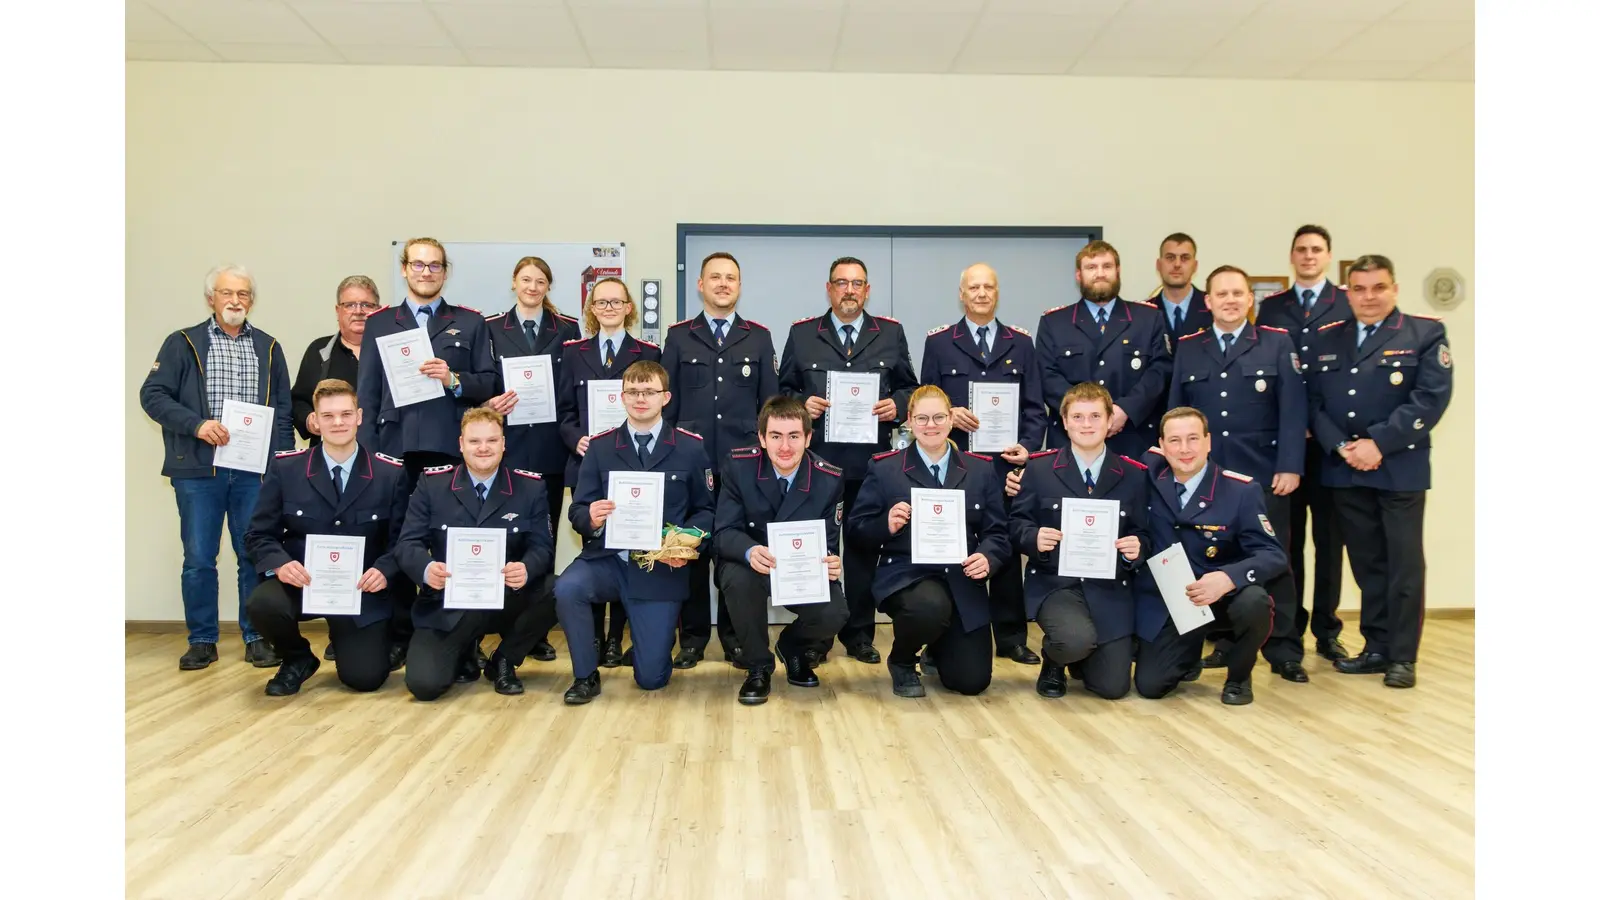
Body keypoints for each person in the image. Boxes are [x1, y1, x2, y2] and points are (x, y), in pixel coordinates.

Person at [1305, 255, 1452, 688]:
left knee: (1403, 565)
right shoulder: (1328, 337)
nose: (1369, 297)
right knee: (1367, 564)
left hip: (1398, 469)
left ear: (1394, 289)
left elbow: (1430, 399)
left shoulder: (1423, 333)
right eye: (1360, 289)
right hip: (1347, 468)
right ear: (1348, 291)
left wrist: (1378, 443)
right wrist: (1341, 447)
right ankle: (1376, 647)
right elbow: (1314, 402)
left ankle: (1403, 656)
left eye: (1378, 288)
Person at [139, 263, 294, 671]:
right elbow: (152, 395)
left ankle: (256, 636)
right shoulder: (183, 343)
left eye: (243, 294)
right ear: (212, 298)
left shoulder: (270, 347)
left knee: (253, 554)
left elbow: (281, 411)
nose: (235, 301)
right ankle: (202, 639)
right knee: (199, 558)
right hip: (197, 472)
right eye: (227, 293)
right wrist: (197, 425)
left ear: (252, 300)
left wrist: (280, 463)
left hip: (251, 473)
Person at [357, 237, 498, 668]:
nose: (426, 272)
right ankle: (402, 635)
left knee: (452, 544)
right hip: (395, 449)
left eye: (434, 266)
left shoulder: (470, 323)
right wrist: (367, 454)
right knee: (400, 540)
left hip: (449, 449)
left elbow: (487, 384)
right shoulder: (381, 322)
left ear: (445, 272)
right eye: (418, 265)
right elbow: (367, 389)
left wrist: (453, 379)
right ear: (404, 269)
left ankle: (463, 640)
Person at [1168, 265, 1310, 682]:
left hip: (1264, 478)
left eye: (1238, 293)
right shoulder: (1190, 348)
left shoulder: (1276, 344)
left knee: (1276, 563)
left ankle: (1284, 649)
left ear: (1251, 299)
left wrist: (1289, 465)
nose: (1230, 300)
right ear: (1207, 302)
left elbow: (1293, 411)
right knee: (1211, 557)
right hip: (1205, 480)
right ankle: (1228, 642)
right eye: (1221, 294)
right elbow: (1177, 412)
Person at [778, 256, 919, 665]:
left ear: (867, 290)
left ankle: (859, 634)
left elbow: (912, 388)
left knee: (860, 551)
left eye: (857, 283)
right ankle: (816, 635)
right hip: (815, 464)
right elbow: (782, 390)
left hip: (870, 464)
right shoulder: (803, 333)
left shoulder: (890, 333)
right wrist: (802, 405)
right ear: (829, 288)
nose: (849, 291)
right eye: (841, 283)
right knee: (817, 549)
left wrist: (897, 404)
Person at [554, 361, 716, 704]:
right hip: (609, 560)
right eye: (633, 393)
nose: (641, 399)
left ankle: (655, 638)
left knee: (651, 679)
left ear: (666, 397)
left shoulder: (690, 448)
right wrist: (592, 518)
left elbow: (707, 510)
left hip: (659, 566)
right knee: (568, 587)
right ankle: (585, 675)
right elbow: (578, 510)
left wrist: (684, 541)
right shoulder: (600, 447)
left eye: (649, 392)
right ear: (621, 397)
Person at [242, 379, 410, 696]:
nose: (338, 422)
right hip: (304, 584)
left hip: (361, 589)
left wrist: (385, 570)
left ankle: (372, 640)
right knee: (263, 604)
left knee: (365, 679)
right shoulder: (286, 469)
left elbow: (403, 539)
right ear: (315, 421)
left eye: (346, 414)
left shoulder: (390, 474)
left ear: (359, 416)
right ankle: (297, 659)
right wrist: (280, 565)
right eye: (328, 416)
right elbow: (258, 533)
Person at [919, 262, 1048, 665]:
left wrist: (1027, 450)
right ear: (961, 294)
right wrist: (950, 413)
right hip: (956, 468)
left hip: (1005, 469)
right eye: (973, 287)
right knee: (955, 549)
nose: (980, 293)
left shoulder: (1021, 344)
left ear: (996, 293)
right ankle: (947, 631)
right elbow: (925, 404)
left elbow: (1035, 409)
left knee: (1006, 549)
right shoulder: (940, 343)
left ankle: (1011, 638)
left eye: (988, 287)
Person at [849, 385, 1011, 698]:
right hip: (907, 575)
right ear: (909, 421)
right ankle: (902, 661)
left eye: (939, 417)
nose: (931, 425)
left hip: (961, 579)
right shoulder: (885, 469)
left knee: (972, 682)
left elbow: (998, 533)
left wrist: (988, 557)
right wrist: (887, 524)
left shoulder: (980, 469)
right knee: (929, 606)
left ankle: (936, 648)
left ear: (952, 419)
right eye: (922, 418)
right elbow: (857, 530)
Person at [661, 251, 780, 670]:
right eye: (715, 277)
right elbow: (666, 405)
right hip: (690, 465)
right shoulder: (678, 337)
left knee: (735, 552)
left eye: (731, 278)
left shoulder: (759, 337)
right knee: (690, 551)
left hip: (741, 467)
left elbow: (770, 407)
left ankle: (734, 638)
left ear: (739, 286)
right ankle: (692, 640)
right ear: (700, 284)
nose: (723, 284)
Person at [392, 408, 558, 700]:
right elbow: (408, 544)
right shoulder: (432, 484)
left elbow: (542, 546)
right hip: (449, 603)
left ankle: (504, 660)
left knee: (559, 589)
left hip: (505, 598)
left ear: (504, 444)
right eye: (474, 441)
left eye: (492, 441)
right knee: (424, 685)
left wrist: (527, 568)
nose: (483, 448)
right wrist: (427, 569)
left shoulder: (530, 487)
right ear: (460, 444)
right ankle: (463, 651)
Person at [1132, 408, 1288, 705]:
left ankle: (1239, 676)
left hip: (1220, 598)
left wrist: (1229, 578)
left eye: (1193, 439)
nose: (1184, 449)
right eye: (1175, 441)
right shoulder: (1148, 476)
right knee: (1150, 686)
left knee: (1254, 602)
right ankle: (1187, 656)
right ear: (1161, 446)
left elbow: (1273, 554)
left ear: (1208, 442)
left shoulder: (1241, 491)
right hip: (1174, 603)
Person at [1006, 383, 1150, 699]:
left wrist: (1136, 548)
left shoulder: (1134, 474)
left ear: (1110, 420)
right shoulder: (1039, 468)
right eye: (1078, 417)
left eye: (1095, 416)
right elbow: (1017, 523)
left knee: (1113, 688)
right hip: (1056, 583)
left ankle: (1080, 657)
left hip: (1110, 587)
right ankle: (1055, 660)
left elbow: (1144, 531)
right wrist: (1033, 538)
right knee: (1073, 640)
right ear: (1065, 421)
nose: (1087, 424)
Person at [712, 396, 850, 704]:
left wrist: (830, 561)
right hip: (756, 564)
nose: (784, 446)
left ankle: (792, 647)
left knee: (836, 612)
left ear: (808, 438)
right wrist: (749, 551)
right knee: (736, 577)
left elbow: (829, 540)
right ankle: (758, 667)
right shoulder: (738, 466)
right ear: (761, 438)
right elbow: (723, 533)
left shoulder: (829, 478)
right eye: (775, 436)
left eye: (794, 436)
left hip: (800, 568)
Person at [1255, 225, 1352, 661]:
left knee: (1330, 542)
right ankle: (1285, 629)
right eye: (1301, 250)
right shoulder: (1273, 308)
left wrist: (1326, 427)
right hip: (1284, 448)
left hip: (1332, 448)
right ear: (1291, 256)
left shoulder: (1347, 303)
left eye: (1316, 250)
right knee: (1286, 542)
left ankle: (1327, 628)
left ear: (1329, 255)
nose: (1308, 256)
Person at [482, 256, 582, 663]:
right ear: (514, 283)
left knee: (543, 540)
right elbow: (481, 381)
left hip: (549, 449)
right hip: (506, 450)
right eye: (526, 280)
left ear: (548, 287)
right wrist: (489, 403)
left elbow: (574, 389)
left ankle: (534, 630)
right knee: (509, 540)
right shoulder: (489, 328)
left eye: (541, 281)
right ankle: (503, 624)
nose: (533, 287)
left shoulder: (568, 329)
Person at [556, 277, 660, 667]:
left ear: (629, 306)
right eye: (602, 302)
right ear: (592, 309)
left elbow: (658, 405)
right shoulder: (572, 353)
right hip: (589, 462)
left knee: (631, 549)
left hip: (636, 465)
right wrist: (577, 440)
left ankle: (618, 639)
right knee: (596, 549)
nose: (610, 308)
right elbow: (564, 411)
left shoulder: (648, 351)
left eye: (617, 301)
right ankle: (595, 640)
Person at [1036, 240, 1172, 460]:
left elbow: (1159, 372)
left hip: (1132, 439)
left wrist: (1124, 410)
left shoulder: (1148, 318)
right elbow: (1046, 376)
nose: (1100, 274)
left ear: (1118, 272)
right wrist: (1086, 416)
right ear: (1078, 275)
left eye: (1107, 266)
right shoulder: (1054, 322)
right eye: (1091, 267)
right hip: (1071, 442)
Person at [291, 276, 378, 446]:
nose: (359, 311)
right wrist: (309, 420)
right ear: (338, 311)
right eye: (350, 305)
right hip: (328, 460)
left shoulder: (391, 351)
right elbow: (298, 401)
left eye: (367, 305)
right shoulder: (319, 351)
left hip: (381, 457)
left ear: (379, 310)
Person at [1152, 233, 1213, 346]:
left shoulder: (1214, 308)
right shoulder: (1144, 313)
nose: (1177, 264)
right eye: (1170, 257)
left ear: (1195, 266)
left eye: (1185, 258)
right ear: (1158, 265)